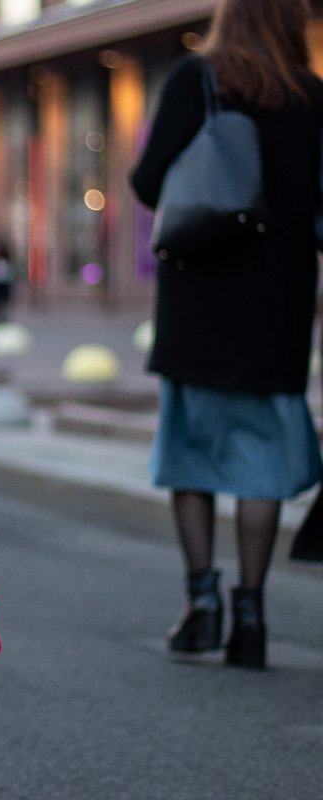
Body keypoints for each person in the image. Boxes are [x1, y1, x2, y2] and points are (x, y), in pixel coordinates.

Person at [129, 0, 323, 670]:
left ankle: (200, 605)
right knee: (261, 460)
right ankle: (252, 617)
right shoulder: (313, 96)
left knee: (193, 453)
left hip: (201, 296)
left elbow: (147, 182)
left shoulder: (198, 80)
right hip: (281, 304)